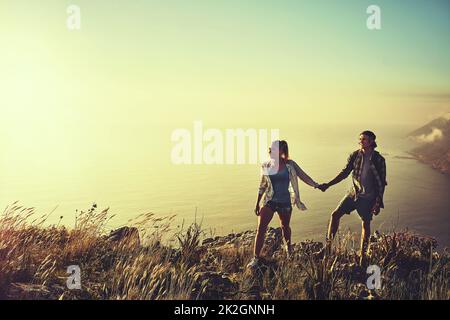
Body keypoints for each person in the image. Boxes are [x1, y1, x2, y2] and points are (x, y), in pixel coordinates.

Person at [247, 140, 320, 268]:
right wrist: (257, 203)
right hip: (269, 201)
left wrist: (316, 185)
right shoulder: (265, 166)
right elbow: (262, 185)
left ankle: (288, 250)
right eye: (270, 148)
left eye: (274, 149)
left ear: (282, 151)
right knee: (261, 229)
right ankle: (256, 258)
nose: (270, 150)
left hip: (285, 201)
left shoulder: (290, 165)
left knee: (285, 227)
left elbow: (303, 176)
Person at [317, 130, 387, 264]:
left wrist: (378, 202)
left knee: (366, 224)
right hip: (353, 194)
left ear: (372, 142)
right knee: (335, 214)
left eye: (364, 139)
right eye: (360, 139)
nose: (361, 141)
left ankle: (363, 255)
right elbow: (344, 173)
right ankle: (328, 248)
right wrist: (329, 184)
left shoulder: (379, 160)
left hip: (368, 198)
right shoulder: (355, 155)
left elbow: (381, 182)